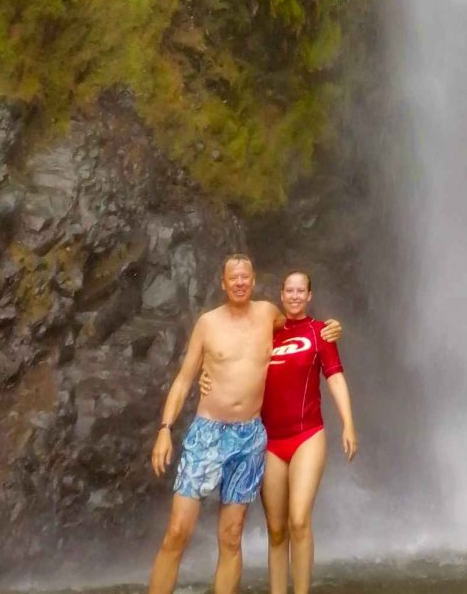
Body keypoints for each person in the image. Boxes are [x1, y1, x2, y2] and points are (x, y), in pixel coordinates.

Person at [145, 254, 342, 594]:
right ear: (223, 283)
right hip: (208, 432)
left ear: (253, 281)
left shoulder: (268, 315)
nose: (239, 282)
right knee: (178, 531)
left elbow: (300, 325)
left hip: (250, 436)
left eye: (245, 277)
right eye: (232, 278)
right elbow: (183, 379)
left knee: (232, 536)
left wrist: (331, 327)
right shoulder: (208, 323)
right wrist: (165, 429)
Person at [258, 270, 357, 594]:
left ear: (309, 296)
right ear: (281, 294)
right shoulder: (265, 332)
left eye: (302, 290)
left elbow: (335, 378)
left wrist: (348, 423)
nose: (295, 296)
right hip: (269, 440)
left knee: (298, 520)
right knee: (275, 530)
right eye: (290, 290)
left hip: (307, 435)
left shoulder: (320, 333)